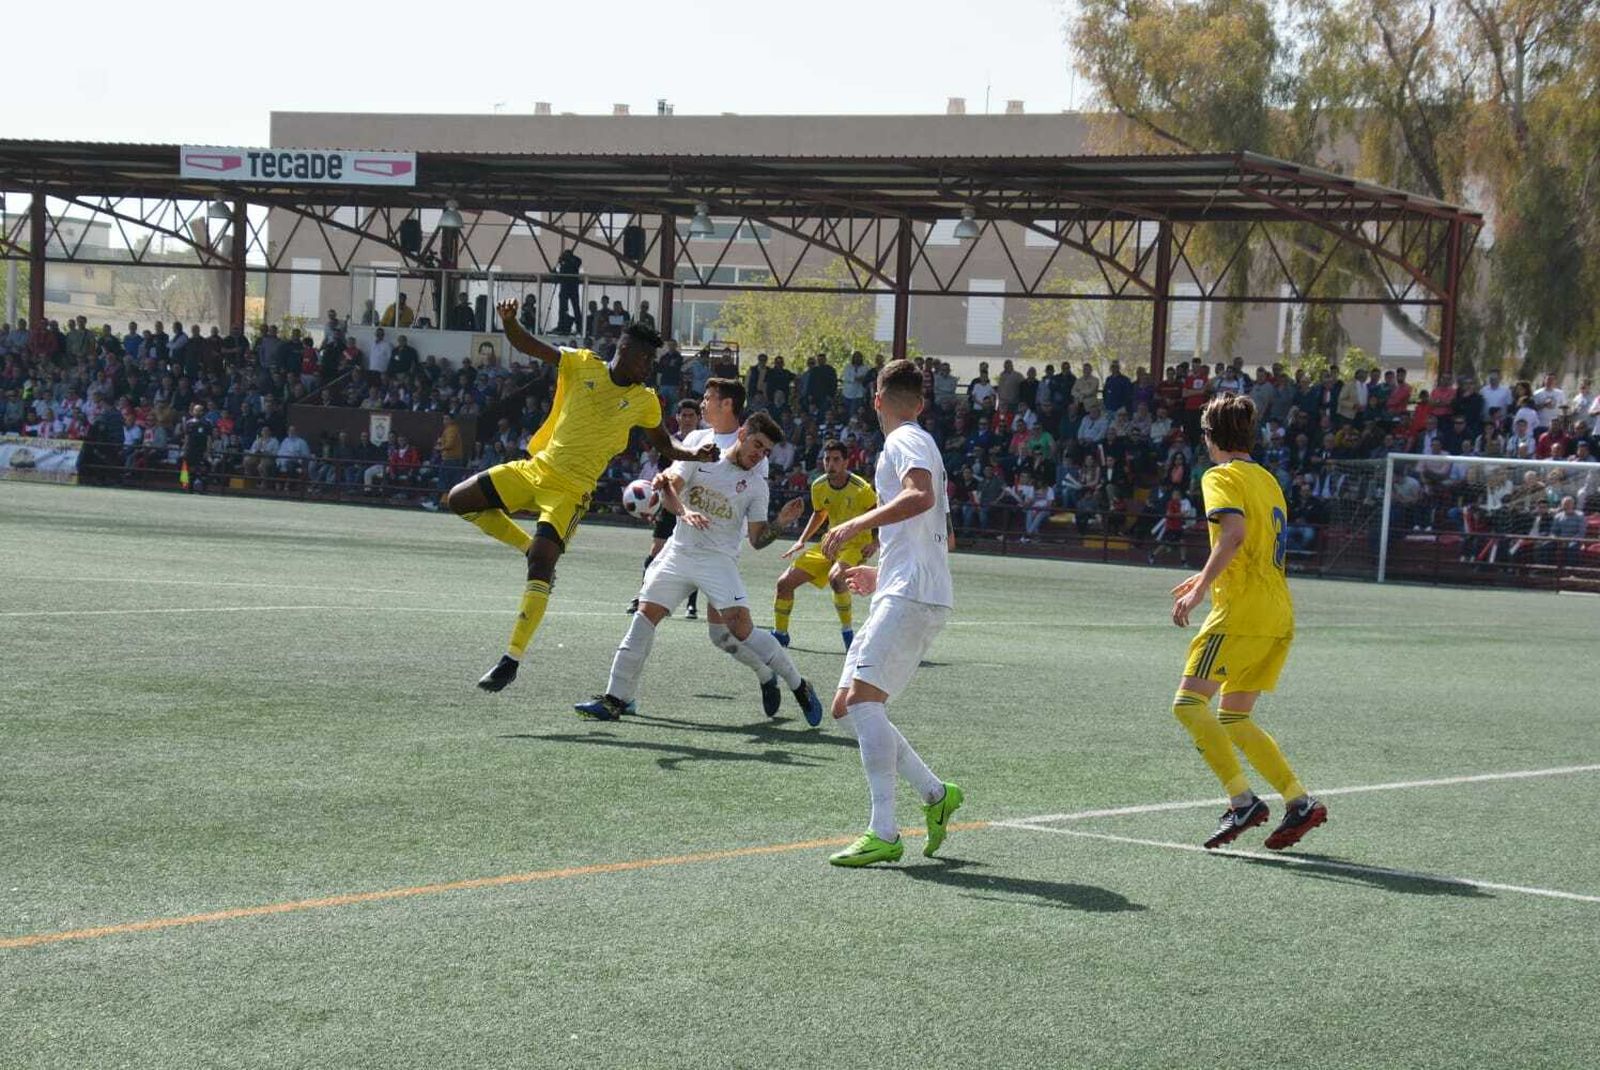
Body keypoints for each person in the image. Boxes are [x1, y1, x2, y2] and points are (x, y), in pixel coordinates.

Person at [446, 300, 718, 693]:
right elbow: (530, 346)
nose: (649, 366)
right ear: (624, 352)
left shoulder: (644, 400)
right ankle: (528, 546)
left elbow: (666, 444)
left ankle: (511, 658)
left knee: (542, 564)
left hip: (571, 493)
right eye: (645, 358)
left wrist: (695, 453)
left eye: (651, 361)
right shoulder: (582, 364)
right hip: (536, 469)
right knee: (459, 499)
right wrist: (509, 321)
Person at [575, 412, 815, 722]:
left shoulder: (757, 485)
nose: (760, 455)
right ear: (742, 434)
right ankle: (614, 699)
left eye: (766, 452)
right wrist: (684, 511)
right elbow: (670, 488)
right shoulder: (703, 452)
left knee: (739, 631)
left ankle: (798, 685)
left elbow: (757, 539)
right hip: (679, 553)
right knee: (643, 618)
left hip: (718, 561)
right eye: (757, 445)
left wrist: (780, 523)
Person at [818, 359, 962, 867]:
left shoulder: (903, 440)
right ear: (921, 402)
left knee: (862, 704)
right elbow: (943, 533)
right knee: (845, 708)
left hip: (913, 595)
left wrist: (857, 523)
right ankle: (935, 793)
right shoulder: (920, 441)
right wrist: (882, 575)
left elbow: (919, 497)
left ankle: (884, 831)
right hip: (908, 590)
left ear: (875, 399)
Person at [1169, 394, 1326, 851]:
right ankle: (1299, 800)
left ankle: (1242, 801)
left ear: (1210, 438)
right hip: (1277, 611)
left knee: (1187, 705)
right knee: (1235, 716)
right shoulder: (1267, 480)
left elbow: (1234, 534)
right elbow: (1252, 544)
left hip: (1240, 610)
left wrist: (1201, 591)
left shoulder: (1220, 475)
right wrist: (1204, 574)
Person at [771, 439, 878, 652]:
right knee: (784, 583)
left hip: (856, 544)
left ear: (846, 462)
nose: (831, 464)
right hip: (830, 543)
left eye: (836, 459)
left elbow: (879, 514)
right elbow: (820, 514)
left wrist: (876, 542)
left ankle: (848, 635)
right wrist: (802, 540)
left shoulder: (861, 488)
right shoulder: (818, 485)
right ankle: (781, 635)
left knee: (836, 577)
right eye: (827, 459)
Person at [629, 397, 705, 618]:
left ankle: (691, 604)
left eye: (692, 415)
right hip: (670, 504)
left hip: (695, 505)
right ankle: (644, 595)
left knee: (694, 553)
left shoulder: (705, 443)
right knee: (656, 550)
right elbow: (663, 476)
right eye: (684, 415)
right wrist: (655, 504)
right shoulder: (668, 444)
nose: (688, 419)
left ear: (698, 418)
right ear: (677, 418)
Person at [554, 248, 582, 333]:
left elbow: (578, 262)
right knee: (562, 308)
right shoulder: (563, 263)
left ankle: (579, 327)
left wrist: (567, 259)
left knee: (576, 308)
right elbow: (558, 274)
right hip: (564, 288)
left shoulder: (576, 260)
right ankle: (561, 325)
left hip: (572, 287)